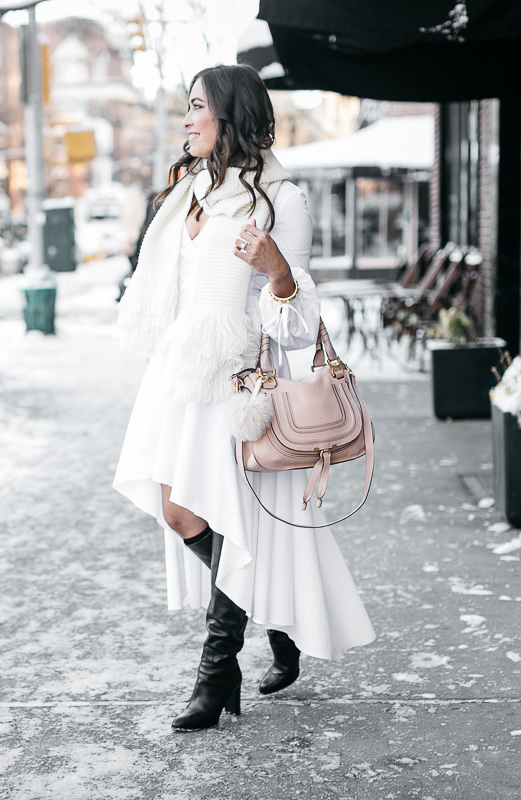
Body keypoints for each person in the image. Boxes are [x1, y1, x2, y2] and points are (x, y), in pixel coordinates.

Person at [114, 64, 375, 732]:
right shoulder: (187, 193)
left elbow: (295, 324)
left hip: (236, 382)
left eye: (197, 106)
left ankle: (215, 671)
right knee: (179, 513)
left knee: (227, 521)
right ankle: (272, 620)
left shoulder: (280, 199)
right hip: (180, 374)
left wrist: (277, 271)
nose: (186, 119)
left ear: (229, 114)